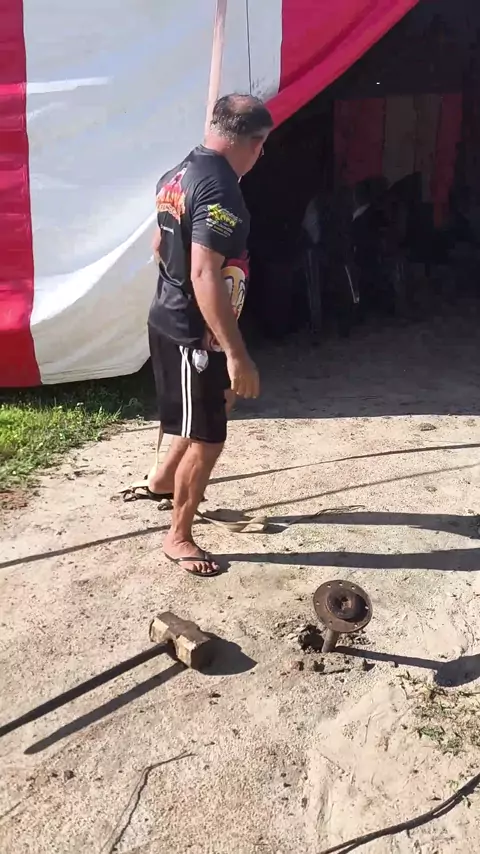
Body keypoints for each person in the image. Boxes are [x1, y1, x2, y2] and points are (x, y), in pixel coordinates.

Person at [145, 94, 273, 577]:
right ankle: (178, 536)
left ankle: (162, 479)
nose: (262, 155)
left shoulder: (177, 172)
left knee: (206, 408)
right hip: (193, 333)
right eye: (262, 146)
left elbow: (159, 244)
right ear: (254, 143)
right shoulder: (220, 190)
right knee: (209, 436)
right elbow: (203, 273)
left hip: (172, 317)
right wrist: (236, 353)